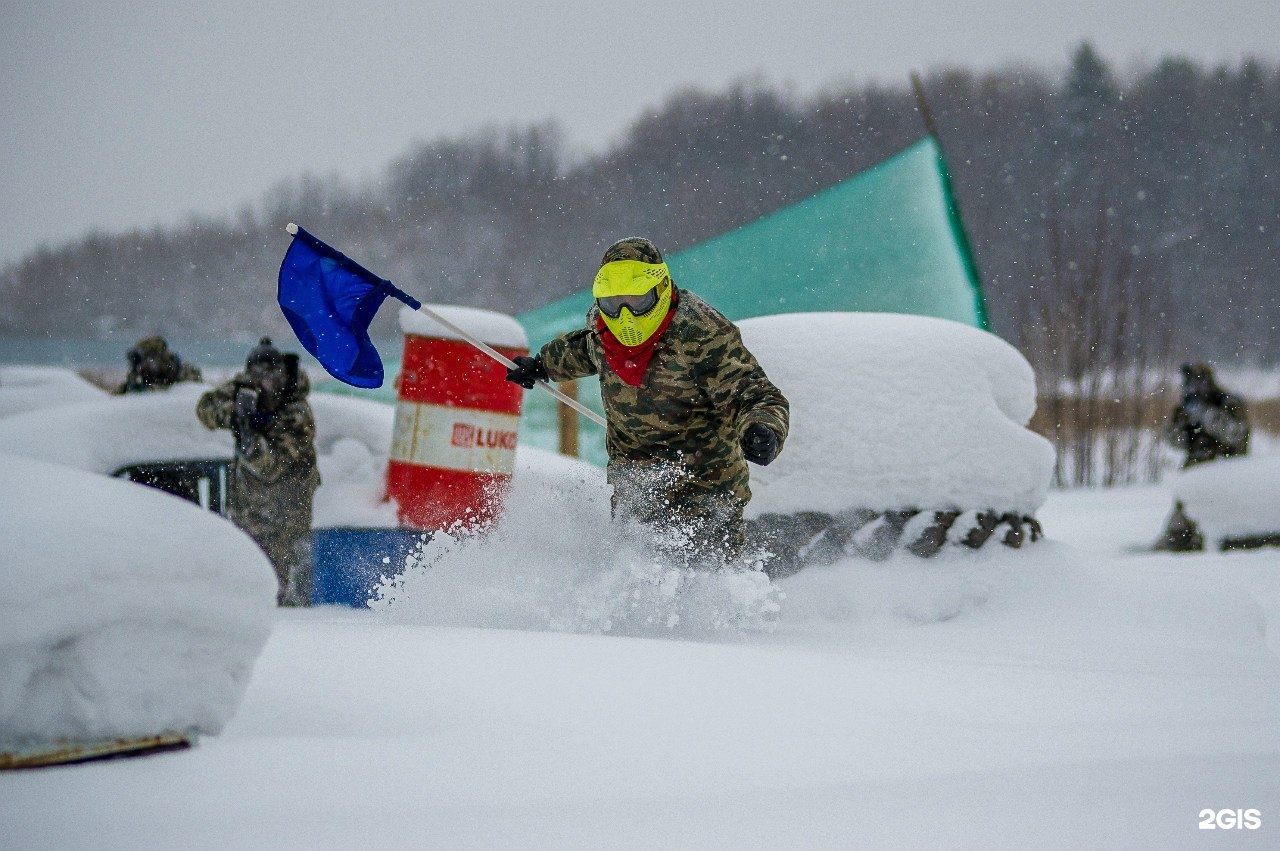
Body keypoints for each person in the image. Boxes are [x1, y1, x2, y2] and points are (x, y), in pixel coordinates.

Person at [505, 237, 789, 564]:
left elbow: (750, 388)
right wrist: (543, 365)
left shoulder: (698, 331)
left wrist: (763, 428)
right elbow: (585, 349)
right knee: (636, 572)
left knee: (704, 580)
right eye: (614, 303)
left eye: (637, 301)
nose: (625, 315)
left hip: (706, 482)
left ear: (661, 289)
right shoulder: (602, 328)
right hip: (635, 478)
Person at [196, 338, 321, 605]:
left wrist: (248, 433)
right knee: (247, 597)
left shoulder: (297, 413)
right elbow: (205, 410)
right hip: (248, 516)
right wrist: (237, 404)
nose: (265, 383)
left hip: (286, 522)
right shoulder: (249, 394)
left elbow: (270, 467)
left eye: (271, 375)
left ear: (284, 375)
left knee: (285, 605)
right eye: (257, 375)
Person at [1157, 362, 1250, 551]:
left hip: (1226, 473)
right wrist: (1181, 422)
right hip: (1196, 474)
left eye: (1198, 384)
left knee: (1223, 530)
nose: (1194, 389)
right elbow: (1176, 441)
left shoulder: (1227, 403)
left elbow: (1236, 435)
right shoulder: (1188, 407)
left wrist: (1206, 415)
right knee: (1179, 530)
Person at [116, 336, 202, 394]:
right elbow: (119, 397)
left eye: (151, 358)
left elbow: (190, 394)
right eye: (143, 359)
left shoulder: (186, 373)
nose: (146, 364)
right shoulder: (140, 377)